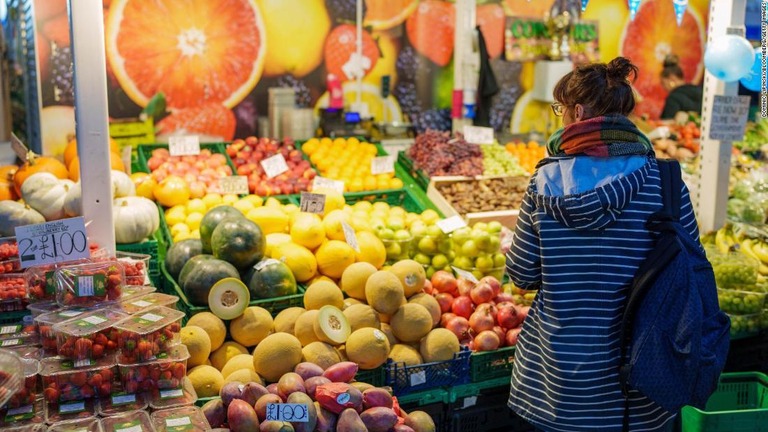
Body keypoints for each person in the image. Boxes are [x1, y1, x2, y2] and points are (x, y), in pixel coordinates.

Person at [505, 57, 700, 432]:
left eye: (561, 109)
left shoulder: (544, 183)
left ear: (577, 112)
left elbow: (523, 275)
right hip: (642, 383)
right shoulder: (666, 185)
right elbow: (689, 265)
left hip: (557, 387)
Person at [659, 54, 703, 119]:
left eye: (663, 83)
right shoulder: (700, 91)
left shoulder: (673, 97)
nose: (663, 88)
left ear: (672, 79)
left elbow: (666, 122)